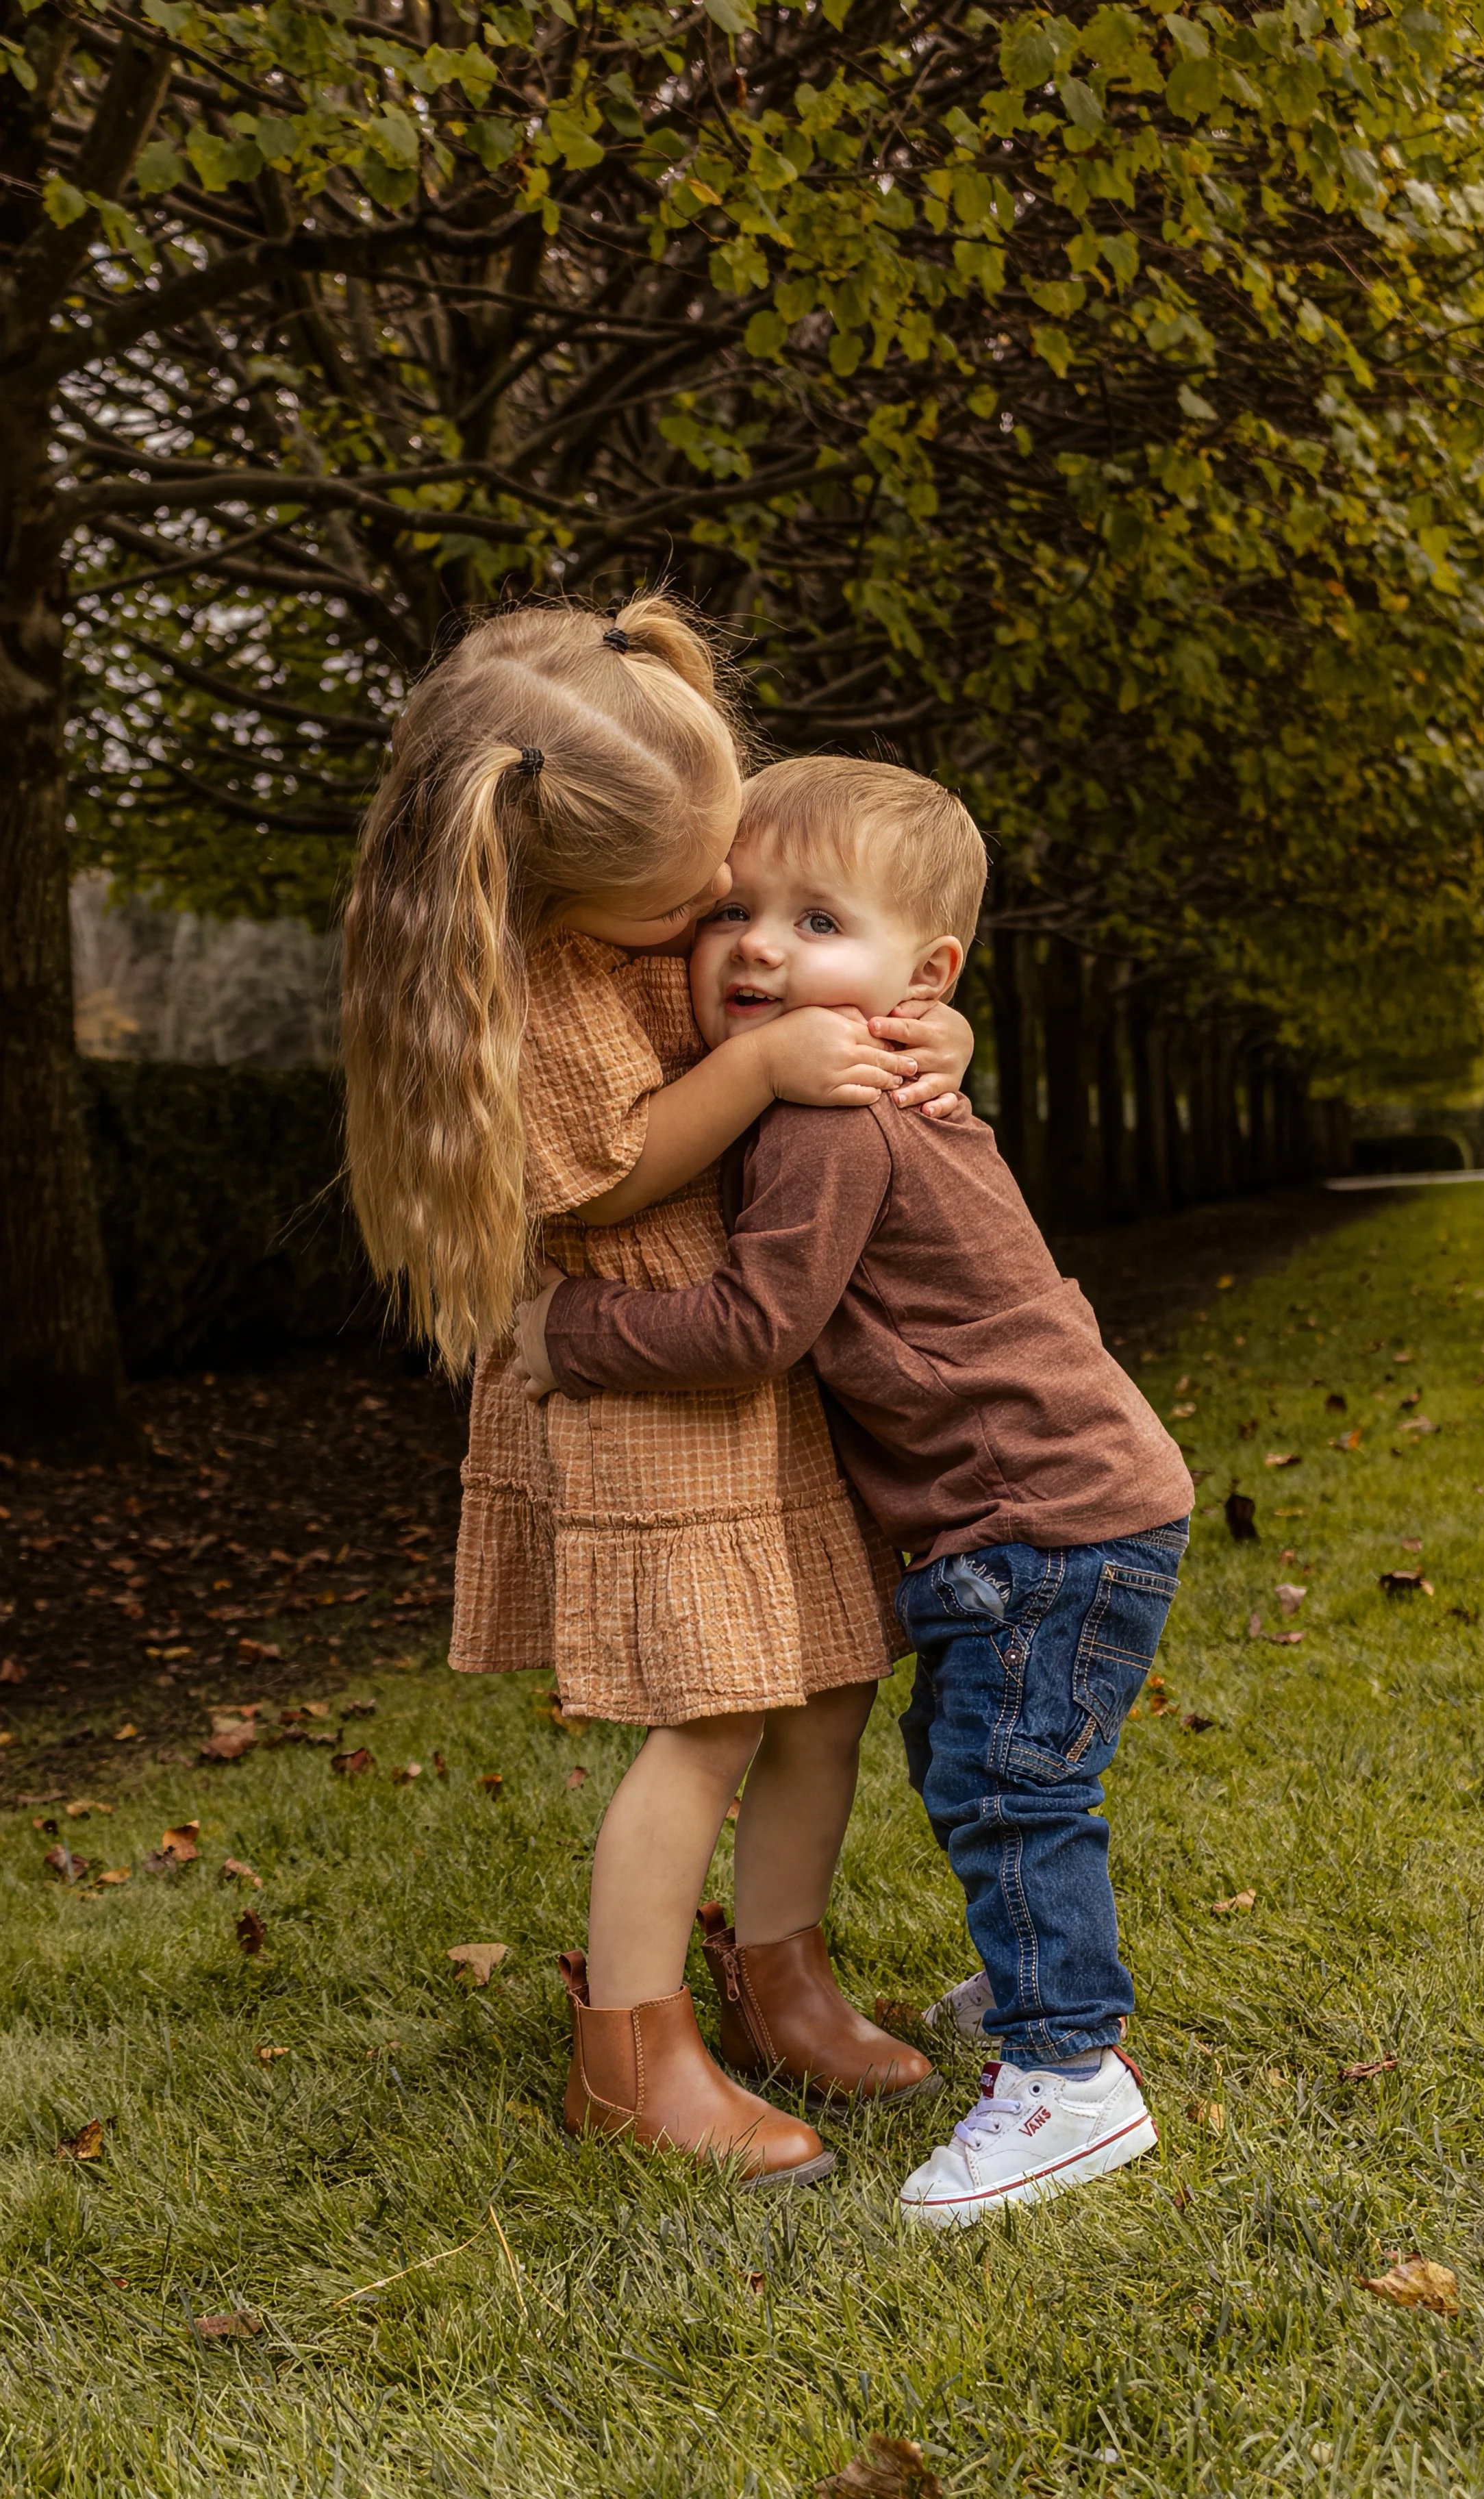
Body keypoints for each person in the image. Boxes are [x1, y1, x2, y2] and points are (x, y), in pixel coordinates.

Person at [516, 756, 1196, 2227]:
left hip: (1033, 1513)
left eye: (814, 920)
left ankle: (1067, 2078)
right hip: (1055, 1498)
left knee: (1013, 1790)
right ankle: (1036, 1967)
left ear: (921, 973)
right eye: (734, 910)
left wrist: (568, 1334)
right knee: (977, 1761)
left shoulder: (830, 1118)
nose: (757, 945)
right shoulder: (851, 1071)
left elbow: (756, 1323)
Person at [342, 606, 972, 2191]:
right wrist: (763, 1075)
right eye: (693, 888)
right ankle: (628, 2048)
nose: (727, 907)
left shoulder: (644, 923)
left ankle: (777, 1980)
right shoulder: (540, 982)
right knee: (713, 1716)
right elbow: (599, 1167)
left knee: (824, 1683)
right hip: (644, 1376)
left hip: (750, 1371)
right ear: (568, 888)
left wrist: (924, 1026)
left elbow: (823, 1000)